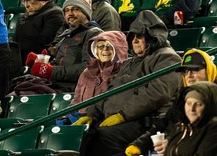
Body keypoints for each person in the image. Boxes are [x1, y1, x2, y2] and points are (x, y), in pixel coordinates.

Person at [74, 10, 182, 156]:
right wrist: (93, 114)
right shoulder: (128, 62)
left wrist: (123, 115)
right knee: (82, 136)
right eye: (133, 37)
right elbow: (110, 90)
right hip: (118, 119)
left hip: (147, 121)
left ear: (152, 38)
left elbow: (156, 93)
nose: (135, 41)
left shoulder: (167, 58)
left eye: (140, 36)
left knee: (103, 137)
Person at [125, 48, 217, 155]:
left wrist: (172, 144)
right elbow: (166, 122)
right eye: (185, 71)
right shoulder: (183, 96)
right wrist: (140, 144)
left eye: (195, 70)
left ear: (209, 70)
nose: (189, 75)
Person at [26, 0, 103, 92]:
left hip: (76, 88)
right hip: (56, 84)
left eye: (75, 9)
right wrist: (40, 61)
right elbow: (60, 62)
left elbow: (89, 68)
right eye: (67, 10)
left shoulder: (94, 34)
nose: (70, 13)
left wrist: (51, 71)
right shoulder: (66, 34)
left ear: (86, 12)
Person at [56, 31, 128, 125]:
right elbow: (76, 100)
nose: (105, 49)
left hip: (101, 121)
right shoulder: (86, 72)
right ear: (95, 50)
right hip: (79, 118)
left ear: (118, 50)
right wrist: (68, 115)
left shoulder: (123, 73)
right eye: (101, 46)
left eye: (110, 46)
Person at [14, 0, 64, 66]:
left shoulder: (55, 14)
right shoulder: (23, 17)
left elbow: (45, 44)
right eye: (23, 1)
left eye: (30, 0)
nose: (26, 5)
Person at [161, 81, 217, 155]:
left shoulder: (213, 128)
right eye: (188, 103)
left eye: (198, 104)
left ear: (209, 107)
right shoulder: (182, 126)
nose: (191, 109)